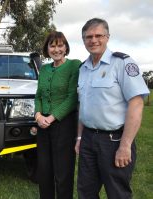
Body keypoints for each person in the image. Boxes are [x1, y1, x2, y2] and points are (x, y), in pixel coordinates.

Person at [75, 18, 150, 199]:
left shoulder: (122, 63)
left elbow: (136, 103)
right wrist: (79, 137)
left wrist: (125, 145)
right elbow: (82, 106)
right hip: (88, 140)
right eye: (88, 37)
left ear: (107, 37)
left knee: (117, 193)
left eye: (98, 35)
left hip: (114, 141)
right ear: (83, 40)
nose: (93, 40)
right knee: (85, 192)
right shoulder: (83, 68)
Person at [34, 31, 81, 199]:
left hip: (64, 125)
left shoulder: (74, 65)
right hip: (42, 125)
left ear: (66, 47)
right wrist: (38, 116)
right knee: (44, 171)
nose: (56, 49)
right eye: (52, 45)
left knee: (63, 173)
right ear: (47, 49)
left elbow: (72, 97)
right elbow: (38, 95)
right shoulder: (44, 69)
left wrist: (51, 117)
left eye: (60, 45)